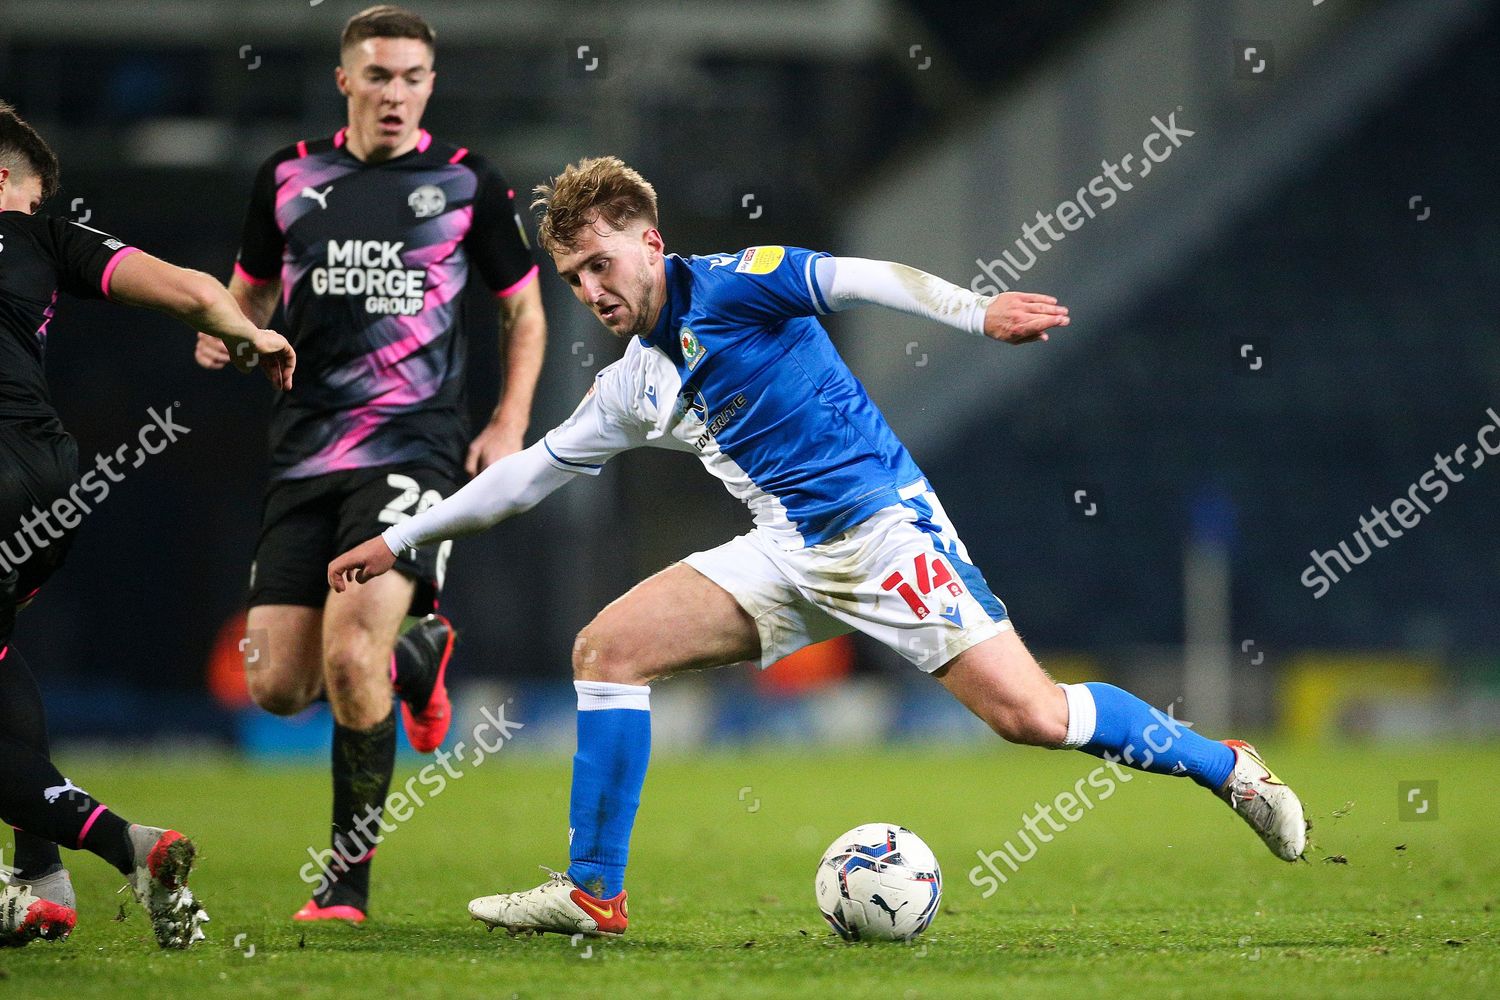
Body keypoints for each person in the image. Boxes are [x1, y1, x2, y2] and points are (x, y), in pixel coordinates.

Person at [328, 156, 1305, 938]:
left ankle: (1228, 767)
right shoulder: (630, 382)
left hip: (884, 530)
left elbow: (864, 278)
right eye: (575, 275)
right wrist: (400, 536)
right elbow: (528, 473)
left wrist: (978, 312)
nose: (591, 287)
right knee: (607, 650)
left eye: (603, 263)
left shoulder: (739, 284)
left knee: (1035, 717)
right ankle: (593, 893)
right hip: (786, 548)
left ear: (651, 242)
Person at [192, 5, 546, 923]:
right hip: (304, 453)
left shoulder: (469, 182)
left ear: (431, 84)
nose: (396, 94)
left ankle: (345, 884)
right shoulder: (288, 174)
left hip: (413, 445)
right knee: (276, 685)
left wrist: (506, 424)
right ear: (346, 80)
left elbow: (524, 311)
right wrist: (224, 336)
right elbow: (248, 297)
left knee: (353, 658)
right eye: (379, 76)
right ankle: (420, 650)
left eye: (413, 77)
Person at [0, 100, 294, 948]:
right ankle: (40, 876)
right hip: (50, 478)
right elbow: (193, 291)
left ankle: (124, 843)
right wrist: (250, 336)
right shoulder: (50, 239)